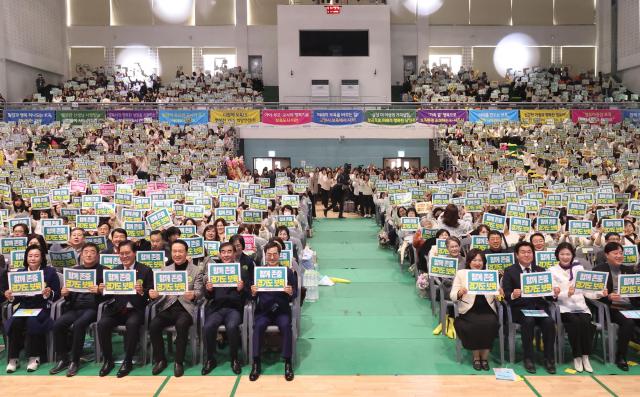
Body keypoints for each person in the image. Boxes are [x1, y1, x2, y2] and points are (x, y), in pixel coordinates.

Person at [96, 240, 153, 378]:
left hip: (136, 309)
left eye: (127, 253)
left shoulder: (145, 270)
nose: (124, 256)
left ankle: (128, 361)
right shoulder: (114, 270)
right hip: (117, 308)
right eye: (121, 254)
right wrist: (102, 289)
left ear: (134, 253)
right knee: (102, 324)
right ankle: (108, 361)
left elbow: (151, 293)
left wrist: (142, 292)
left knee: (132, 324)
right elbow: (108, 294)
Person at [149, 240, 203, 377]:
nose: (177, 254)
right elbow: (160, 292)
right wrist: (155, 295)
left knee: (182, 324)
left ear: (186, 253)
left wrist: (194, 295)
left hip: (186, 308)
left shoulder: (196, 270)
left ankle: (179, 361)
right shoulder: (165, 270)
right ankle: (160, 360)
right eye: (174, 251)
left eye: (180, 251)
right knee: (154, 324)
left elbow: (199, 292)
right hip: (168, 307)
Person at [50, 242, 105, 377]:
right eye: (86, 251)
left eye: (92, 251)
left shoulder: (104, 270)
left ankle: (75, 361)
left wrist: (99, 291)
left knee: (79, 325)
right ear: (81, 254)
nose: (89, 254)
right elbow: (68, 298)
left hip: (93, 308)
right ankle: (63, 358)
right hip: (75, 307)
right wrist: (66, 294)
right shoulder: (74, 270)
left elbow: (110, 295)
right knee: (58, 324)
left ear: (97, 255)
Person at [4, 245, 61, 373]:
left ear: (42, 258)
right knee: (15, 322)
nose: (33, 258)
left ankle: (34, 357)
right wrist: (11, 297)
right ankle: (13, 358)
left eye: (36, 256)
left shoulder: (50, 272)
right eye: (30, 256)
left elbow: (57, 294)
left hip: (42, 308)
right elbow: (16, 298)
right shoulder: (19, 273)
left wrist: (48, 293)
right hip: (24, 308)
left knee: (32, 321)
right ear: (26, 258)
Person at [502, 241, 557, 374]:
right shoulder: (510, 271)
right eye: (523, 252)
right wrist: (514, 294)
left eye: (529, 252)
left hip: (539, 308)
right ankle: (528, 358)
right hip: (520, 309)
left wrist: (554, 293)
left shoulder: (541, 270)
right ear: (517, 255)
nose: (527, 255)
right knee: (528, 321)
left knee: (549, 322)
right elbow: (506, 294)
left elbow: (548, 296)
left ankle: (549, 358)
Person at [249, 241, 298, 381]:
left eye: (274, 254)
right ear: (265, 255)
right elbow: (250, 295)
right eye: (269, 254)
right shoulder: (258, 272)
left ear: (279, 255)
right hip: (263, 311)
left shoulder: (288, 272)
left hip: (281, 310)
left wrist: (290, 291)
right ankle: (256, 363)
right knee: (258, 326)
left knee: (285, 326)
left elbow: (295, 294)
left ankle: (288, 362)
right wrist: (252, 292)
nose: (271, 257)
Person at [549, 242, 601, 373]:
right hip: (563, 307)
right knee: (575, 322)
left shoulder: (579, 269)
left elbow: (587, 291)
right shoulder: (552, 271)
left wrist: (600, 293)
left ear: (572, 255)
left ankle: (585, 356)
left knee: (586, 322)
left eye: (568, 254)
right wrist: (566, 293)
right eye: (562, 254)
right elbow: (552, 294)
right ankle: (577, 356)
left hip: (581, 306)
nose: (565, 257)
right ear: (557, 255)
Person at [201, 242, 249, 375]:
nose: (226, 254)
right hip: (217, 308)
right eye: (223, 252)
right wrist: (209, 289)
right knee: (208, 326)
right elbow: (207, 296)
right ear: (219, 254)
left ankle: (234, 359)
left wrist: (241, 289)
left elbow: (249, 294)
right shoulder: (214, 270)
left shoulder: (242, 271)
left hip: (234, 309)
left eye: (229, 252)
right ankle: (211, 359)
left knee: (232, 326)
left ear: (234, 253)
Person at [450, 249, 502, 371]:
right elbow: (452, 296)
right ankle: (476, 357)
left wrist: (501, 293)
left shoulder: (490, 274)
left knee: (491, 324)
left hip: (487, 309)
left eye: (480, 260)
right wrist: (460, 292)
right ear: (469, 261)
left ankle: (485, 358)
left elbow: (500, 298)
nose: (477, 263)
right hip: (468, 310)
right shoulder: (461, 274)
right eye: (474, 260)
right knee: (474, 325)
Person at [593, 242, 640, 371]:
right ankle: (621, 356)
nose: (619, 256)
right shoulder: (599, 270)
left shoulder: (629, 270)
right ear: (607, 255)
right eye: (615, 253)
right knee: (628, 323)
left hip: (630, 306)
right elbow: (593, 294)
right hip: (612, 308)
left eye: (621, 253)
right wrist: (607, 297)